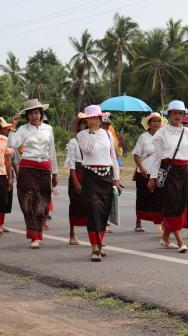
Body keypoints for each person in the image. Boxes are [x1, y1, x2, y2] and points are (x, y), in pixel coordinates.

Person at [148, 101, 188, 253]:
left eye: (180, 113)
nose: (178, 116)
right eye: (175, 113)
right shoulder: (161, 133)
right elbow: (157, 158)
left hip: (183, 172)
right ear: (169, 114)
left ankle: (165, 238)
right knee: (172, 205)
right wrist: (152, 178)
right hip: (167, 171)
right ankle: (180, 241)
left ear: (184, 115)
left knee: (180, 205)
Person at [8, 99, 58, 249]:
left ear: (41, 114)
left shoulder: (48, 129)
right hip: (27, 167)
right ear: (27, 116)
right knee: (28, 202)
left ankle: (38, 233)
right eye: (30, 114)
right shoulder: (23, 129)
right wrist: (13, 126)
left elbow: (52, 151)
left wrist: (54, 172)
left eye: (36, 113)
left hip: (44, 168)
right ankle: (34, 237)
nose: (34, 116)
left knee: (42, 203)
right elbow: (11, 144)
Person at [77, 105, 120, 262]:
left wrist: (117, 176)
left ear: (101, 118)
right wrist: (93, 132)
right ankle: (94, 247)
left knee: (104, 211)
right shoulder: (82, 135)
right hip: (90, 175)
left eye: (96, 118)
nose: (94, 120)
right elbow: (89, 150)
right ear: (86, 120)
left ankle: (100, 243)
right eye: (90, 118)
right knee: (94, 208)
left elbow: (113, 156)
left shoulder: (108, 134)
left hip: (106, 175)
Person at [132, 112, 168, 232]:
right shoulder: (143, 137)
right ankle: (138, 221)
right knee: (142, 197)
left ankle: (162, 222)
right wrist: (141, 168)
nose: (156, 123)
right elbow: (136, 154)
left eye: (158, 121)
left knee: (161, 198)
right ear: (149, 123)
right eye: (153, 121)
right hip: (144, 172)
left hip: (158, 173)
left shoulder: (164, 136)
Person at [64, 117, 88, 245]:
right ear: (78, 126)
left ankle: (94, 236)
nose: (84, 126)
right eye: (82, 123)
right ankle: (72, 234)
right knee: (75, 205)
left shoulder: (93, 140)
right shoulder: (74, 142)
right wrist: (75, 182)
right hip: (77, 175)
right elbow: (71, 164)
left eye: (86, 123)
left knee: (92, 206)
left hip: (90, 175)